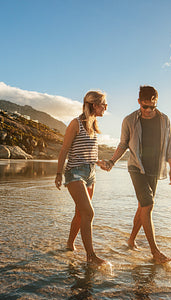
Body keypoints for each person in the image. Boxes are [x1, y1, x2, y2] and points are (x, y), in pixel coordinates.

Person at [100, 86, 171, 264]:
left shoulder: (165, 120)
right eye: (145, 106)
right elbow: (123, 144)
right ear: (139, 102)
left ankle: (131, 239)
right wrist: (111, 162)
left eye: (152, 106)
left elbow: (170, 146)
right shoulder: (129, 120)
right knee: (148, 205)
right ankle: (155, 252)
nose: (149, 110)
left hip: (155, 169)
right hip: (136, 167)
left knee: (143, 207)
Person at [55, 91, 108, 266]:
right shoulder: (75, 123)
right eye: (103, 104)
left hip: (90, 174)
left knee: (80, 213)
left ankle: (69, 245)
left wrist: (99, 162)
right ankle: (91, 256)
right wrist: (58, 173)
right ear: (94, 105)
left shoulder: (94, 125)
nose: (105, 107)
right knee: (89, 213)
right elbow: (64, 150)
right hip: (75, 173)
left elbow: (87, 152)